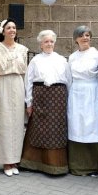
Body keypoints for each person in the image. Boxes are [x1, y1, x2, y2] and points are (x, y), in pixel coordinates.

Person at [20, 30, 71, 175]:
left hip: (58, 98)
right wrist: (29, 103)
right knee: (38, 129)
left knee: (56, 130)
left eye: (51, 41)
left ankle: (56, 165)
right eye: (46, 42)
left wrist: (68, 102)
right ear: (41, 44)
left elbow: (69, 81)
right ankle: (34, 163)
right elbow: (28, 82)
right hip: (40, 97)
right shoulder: (35, 61)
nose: (49, 44)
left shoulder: (62, 60)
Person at [67, 25, 98, 180]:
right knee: (77, 127)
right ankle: (78, 165)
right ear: (76, 39)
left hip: (93, 93)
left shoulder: (97, 55)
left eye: (88, 35)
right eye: (82, 35)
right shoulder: (72, 57)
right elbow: (69, 80)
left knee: (92, 128)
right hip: (76, 94)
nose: (85, 38)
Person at [0, 18, 28, 177]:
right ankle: (6, 161)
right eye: (8, 28)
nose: (12, 30)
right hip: (2, 85)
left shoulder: (23, 49)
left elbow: (25, 72)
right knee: (4, 123)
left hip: (18, 84)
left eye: (14, 27)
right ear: (2, 31)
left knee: (18, 124)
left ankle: (15, 160)